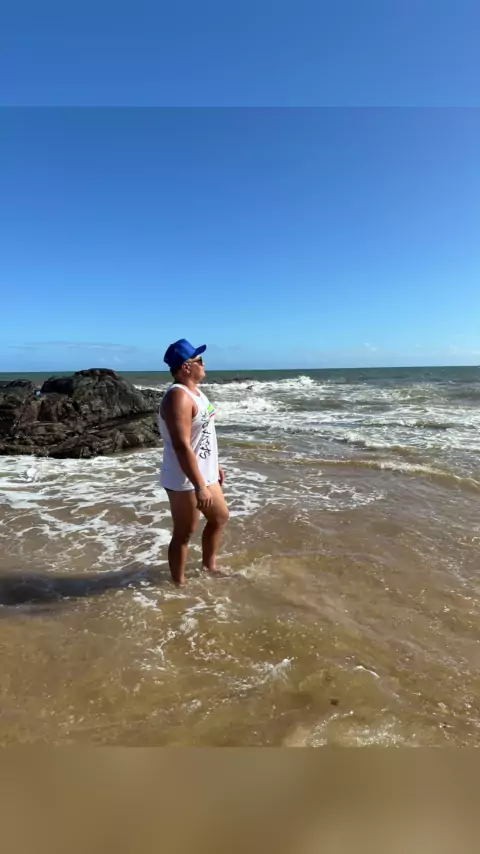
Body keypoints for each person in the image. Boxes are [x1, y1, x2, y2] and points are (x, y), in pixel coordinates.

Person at [158, 339, 229, 585]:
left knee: (219, 518)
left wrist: (214, 465)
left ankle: (209, 567)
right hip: (185, 478)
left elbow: (204, 434)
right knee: (184, 533)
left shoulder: (196, 392)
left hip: (204, 473)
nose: (204, 364)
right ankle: (178, 584)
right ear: (186, 367)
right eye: (199, 360)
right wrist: (199, 485)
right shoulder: (178, 397)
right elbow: (182, 445)